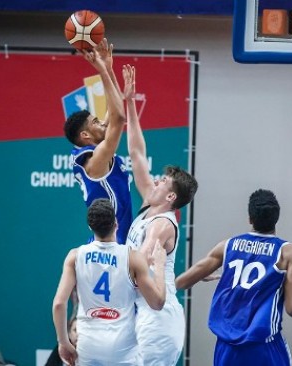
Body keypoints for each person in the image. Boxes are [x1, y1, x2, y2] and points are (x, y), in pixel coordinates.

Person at [175, 189, 292, 366]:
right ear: (277, 218)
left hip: (226, 348)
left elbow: (182, 282)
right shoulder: (289, 253)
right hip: (264, 347)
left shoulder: (228, 245)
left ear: (250, 219)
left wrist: (204, 276)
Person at [123, 64, 199, 366]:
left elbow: (137, 264)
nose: (155, 179)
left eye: (162, 181)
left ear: (171, 196)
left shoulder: (162, 224)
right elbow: (137, 153)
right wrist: (129, 102)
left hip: (158, 319)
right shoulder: (148, 205)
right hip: (144, 312)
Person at [52, 198, 168, 366]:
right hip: (122, 348)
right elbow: (157, 302)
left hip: (88, 346)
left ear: (90, 227)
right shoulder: (132, 258)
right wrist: (160, 267)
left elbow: (58, 304)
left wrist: (63, 342)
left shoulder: (75, 256)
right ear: (116, 223)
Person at [64, 38, 132, 244]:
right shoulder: (96, 161)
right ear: (85, 135)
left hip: (115, 241)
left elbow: (114, 112)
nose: (102, 123)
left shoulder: (94, 151)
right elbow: (119, 118)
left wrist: (109, 70)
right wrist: (101, 71)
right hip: (112, 244)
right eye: (95, 122)